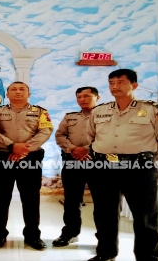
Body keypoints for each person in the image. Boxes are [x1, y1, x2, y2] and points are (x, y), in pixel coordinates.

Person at [84, 69, 158, 261]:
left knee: (145, 216)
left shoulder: (153, 109)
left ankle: (148, 257)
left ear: (134, 85)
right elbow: (90, 137)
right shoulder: (99, 111)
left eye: (120, 82)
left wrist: (143, 161)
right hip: (105, 167)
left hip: (139, 169)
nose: (114, 86)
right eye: (111, 83)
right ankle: (106, 253)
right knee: (104, 214)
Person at [0, 81, 53, 251]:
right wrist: (12, 146)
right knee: (0, 199)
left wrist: (24, 149)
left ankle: (32, 236)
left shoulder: (40, 112)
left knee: (31, 198)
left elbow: (45, 131)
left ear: (29, 94)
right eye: (13, 90)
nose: (18, 92)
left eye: (22, 89)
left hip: (31, 157)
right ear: (7, 94)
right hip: (3, 156)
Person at [53, 86, 100, 247]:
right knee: (72, 201)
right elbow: (60, 135)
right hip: (72, 161)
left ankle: (104, 238)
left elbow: (108, 137)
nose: (82, 99)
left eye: (86, 96)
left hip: (98, 162)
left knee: (102, 202)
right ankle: (70, 233)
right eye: (79, 97)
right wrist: (73, 149)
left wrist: (85, 150)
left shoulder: (105, 116)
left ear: (97, 97)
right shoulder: (70, 117)